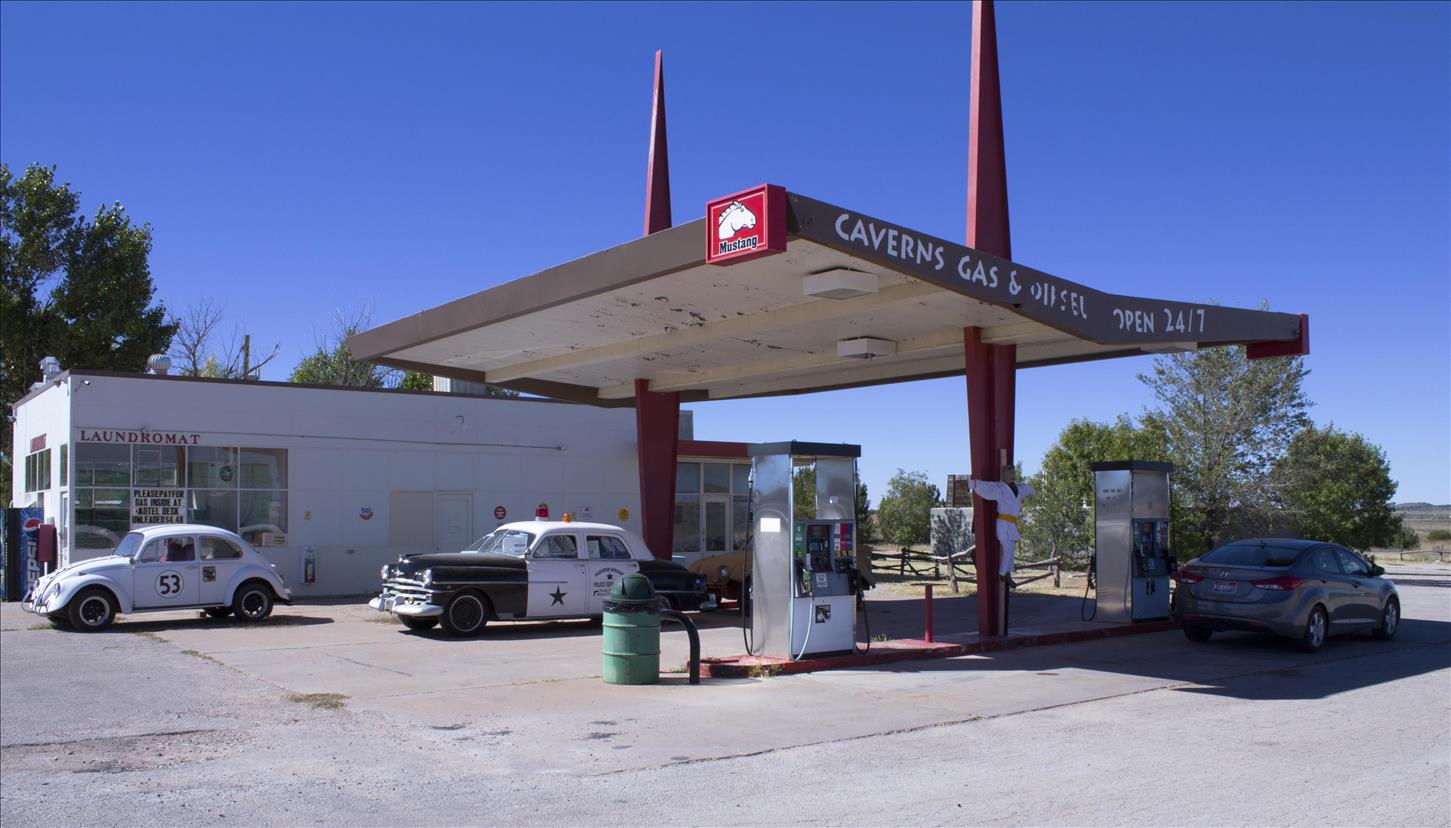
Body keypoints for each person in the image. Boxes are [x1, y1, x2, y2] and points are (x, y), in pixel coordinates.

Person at [968, 473, 1035, 577]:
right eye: (1009, 471)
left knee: (1011, 548)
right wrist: (973, 484)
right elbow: (987, 487)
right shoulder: (1000, 488)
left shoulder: (1019, 489)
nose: (1012, 473)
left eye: (1013, 470)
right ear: (1004, 475)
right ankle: (1002, 574)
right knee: (1007, 548)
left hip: (1012, 523)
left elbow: (1029, 489)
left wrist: (1036, 491)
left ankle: (1007, 573)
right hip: (1003, 523)